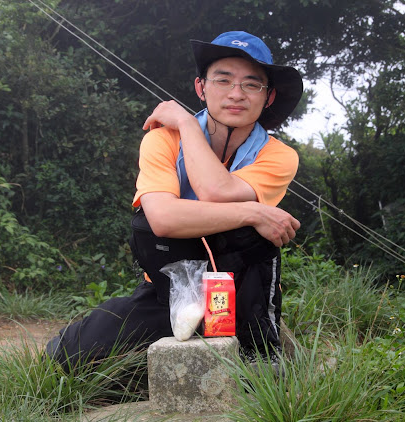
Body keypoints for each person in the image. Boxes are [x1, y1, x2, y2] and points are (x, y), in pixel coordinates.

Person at [46, 30, 303, 368]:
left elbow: (216, 191)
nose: (236, 94)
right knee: (67, 356)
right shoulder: (162, 140)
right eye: (223, 80)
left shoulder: (278, 155)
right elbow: (162, 219)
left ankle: (261, 353)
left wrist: (186, 124)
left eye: (252, 84)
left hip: (241, 291)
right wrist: (254, 211)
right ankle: (186, 335)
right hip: (172, 288)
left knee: (256, 234)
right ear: (201, 88)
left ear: (268, 97)